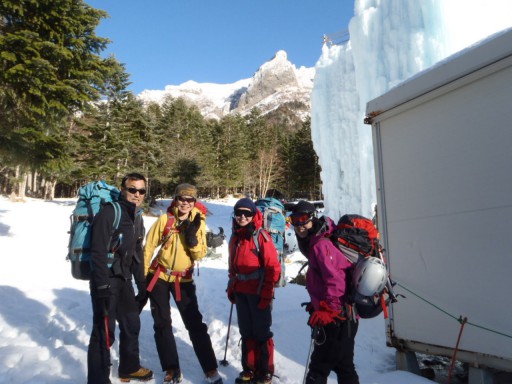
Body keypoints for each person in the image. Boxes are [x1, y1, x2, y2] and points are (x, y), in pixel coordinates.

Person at [143, 183, 223, 384]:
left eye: (190, 200)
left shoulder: (199, 221)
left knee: (195, 323)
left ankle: (210, 368)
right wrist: (142, 276)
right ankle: (171, 368)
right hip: (159, 276)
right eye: (181, 199)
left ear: (194, 202)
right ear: (175, 199)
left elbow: (200, 254)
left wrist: (192, 238)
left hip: (183, 279)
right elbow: (149, 247)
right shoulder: (165, 219)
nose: (185, 203)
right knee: (162, 323)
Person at [87, 172, 153, 383]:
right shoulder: (109, 213)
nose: (137, 194)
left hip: (123, 279)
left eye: (141, 191)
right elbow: (97, 251)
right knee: (104, 332)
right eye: (132, 189)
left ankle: (129, 367)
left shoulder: (137, 216)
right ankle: (98, 379)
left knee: (131, 323)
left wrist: (141, 283)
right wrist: (102, 286)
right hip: (106, 280)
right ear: (123, 190)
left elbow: (136, 252)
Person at [290, 200, 359, 384]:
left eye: (303, 219)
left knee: (318, 369)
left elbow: (335, 281)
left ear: (313, 218)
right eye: (294, 220)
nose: (299, 225)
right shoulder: (315, 242)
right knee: (344, 366)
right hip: (345, 316)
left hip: (336, 317)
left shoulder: (321, 245)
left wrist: (328, 311)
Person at [226, 198, 281, 384]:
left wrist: (267, 293)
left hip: (258, 293)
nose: (242, 216)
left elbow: (273, 267)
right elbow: (232, 266)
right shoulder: (235, 237)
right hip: (241, 293)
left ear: (253, 215)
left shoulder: (260, 237)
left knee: (261, 333)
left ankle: (265, 371)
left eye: (247, 213)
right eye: (239, 212)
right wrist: (232, 286)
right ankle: (249, 369)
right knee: (246, 332)